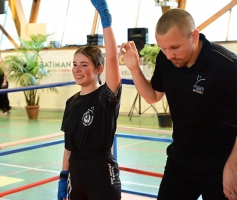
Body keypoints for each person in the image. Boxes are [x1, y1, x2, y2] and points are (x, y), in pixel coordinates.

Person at [120, 8, 237, 200]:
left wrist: (232, 167)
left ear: (194, 36)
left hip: (221, 162)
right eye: (163, 48)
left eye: (175, 47)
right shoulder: (166, 60)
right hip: (181, 159)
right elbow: (153, 96)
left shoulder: (226, 65)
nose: (168, 55)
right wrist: (134, 69)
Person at [57, 0, 122, 199]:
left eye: (84, 64)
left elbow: (111, 58)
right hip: (76, 175)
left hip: (101, 172)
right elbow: (68, 147)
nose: (77, 69)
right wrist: (63, 177)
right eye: (75, 64)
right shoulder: (71, 102)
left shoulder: (106, 96)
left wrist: (105, 17)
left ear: (98, 69)